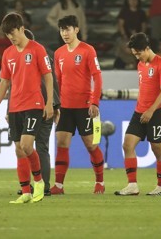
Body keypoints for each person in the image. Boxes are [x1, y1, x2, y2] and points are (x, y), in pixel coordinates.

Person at [0, 12, 54, 204]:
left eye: (13, 33)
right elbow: (4, 82)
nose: (10, 37)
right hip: (14, 106)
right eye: (7, 35)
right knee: (18, 149)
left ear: (21, 29)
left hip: (33, 104)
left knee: (27, 146)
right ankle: (26, 192)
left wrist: (49, 102)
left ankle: (39, 181)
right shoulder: (8, 53)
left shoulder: (37, 49)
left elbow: (48, 76)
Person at [51, 15, 105, 195]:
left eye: (67, 29)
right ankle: (58, 185)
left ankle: (100, 182)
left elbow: (97, 77)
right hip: (65, 107)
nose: (64, 33)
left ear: (76, 29)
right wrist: (55, 104)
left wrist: (94, 101)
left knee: (91, 145)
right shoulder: (58, 53)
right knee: (62, 143)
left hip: (84, 106)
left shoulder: (88, 51)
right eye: (61, 30)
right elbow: (57, 80)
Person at [115, 32, 161, 196]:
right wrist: (142, 107)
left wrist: (151, 110)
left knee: (157, 149)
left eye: (139, 53)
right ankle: (132, 185)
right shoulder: (140, 65)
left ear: (147, 48)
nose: (137, 57)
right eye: (134, 54)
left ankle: (160, 187)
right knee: (127, 145)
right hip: (139, 112)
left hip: (156, 112)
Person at [15, 29, 61, 197]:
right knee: (40, 147)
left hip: (31, 107)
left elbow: (15, 86)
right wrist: (56, 105)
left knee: (26, 147)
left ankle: (32, 185)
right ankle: (44, 186)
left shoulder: (22, 58)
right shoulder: (45, 57)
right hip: (45, 106)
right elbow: (54, 82)